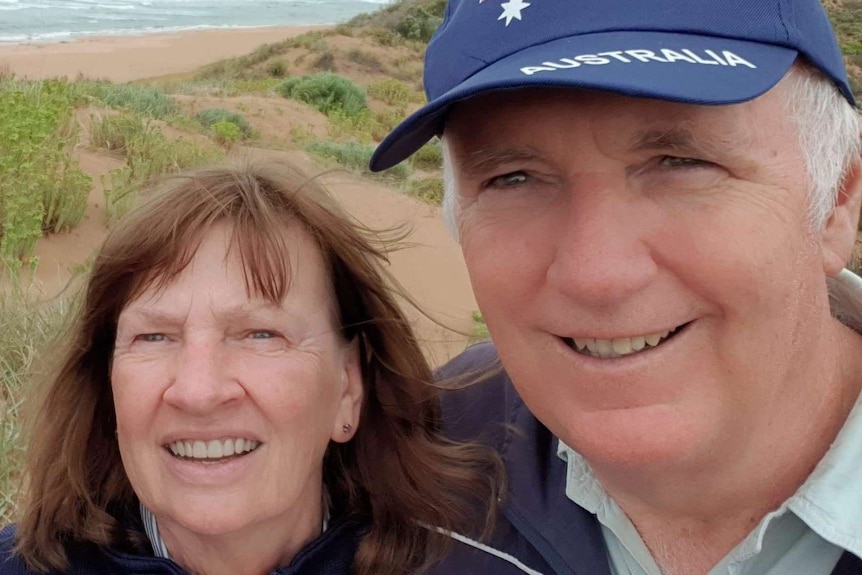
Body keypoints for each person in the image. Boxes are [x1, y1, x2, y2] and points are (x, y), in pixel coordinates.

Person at [371, 0, 862, 574]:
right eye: (514, 178)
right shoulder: (412, 456)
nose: (595, 274)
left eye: (681, 162)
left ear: (837, 202)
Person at [0, 162, 500, 575]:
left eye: (262, 334)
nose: (198, 391)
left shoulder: (461, 562)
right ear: (108, 386)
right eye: (153, 337)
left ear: (348, 386)